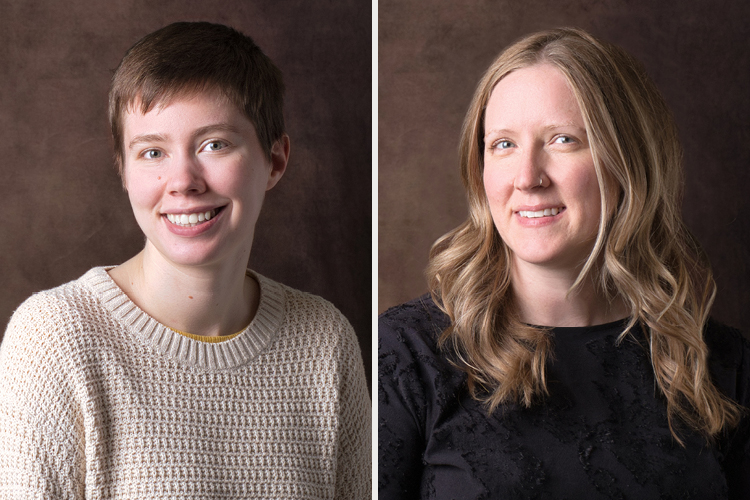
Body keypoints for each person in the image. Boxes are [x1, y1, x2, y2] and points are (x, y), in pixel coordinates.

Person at [0, 22, 370, 499]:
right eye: (152, 151)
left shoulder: (326, 341)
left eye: (214, 144)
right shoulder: (53, 339)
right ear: (125, 172)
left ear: (275, 160)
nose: (183, 180)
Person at [379, 27, 749, 499]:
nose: (528, 178)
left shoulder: (722, 365)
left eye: (563, 140)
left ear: (628, 162)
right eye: (504, 145)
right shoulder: (407, 355)